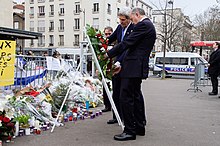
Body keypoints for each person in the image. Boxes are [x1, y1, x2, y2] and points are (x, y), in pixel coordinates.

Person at [105, 7, 156, 141]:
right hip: (135, 66)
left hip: (133, 67)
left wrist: (108, 54)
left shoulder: (143, 25)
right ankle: (139, 127)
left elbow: (127, 43)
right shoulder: (147, 25)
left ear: (136, 14)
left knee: (125, 98)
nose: (132, 22)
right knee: (135, 97)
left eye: (132, 18)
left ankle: (129, 131)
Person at [106, 7, 134, 124]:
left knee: (125, 94)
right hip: (116, 63)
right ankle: (116, 115)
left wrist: (120, 62)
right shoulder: (119, 28)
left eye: (123, 20)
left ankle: (125, 117)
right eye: (120, 20)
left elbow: (126, 47)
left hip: (126, 63)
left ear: (128, 19)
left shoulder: (133, 29)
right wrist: (99, 40)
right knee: (116, 91)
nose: (121, 22)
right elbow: (109, 40)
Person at [101, 26, 113, 112]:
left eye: (109, 33)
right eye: (106, 34)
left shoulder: (115, 42)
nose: (107, 35)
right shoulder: (103, 44)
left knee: (114, 89)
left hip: (113, 68)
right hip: (106, 68)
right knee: (105, 88)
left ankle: (114, 106)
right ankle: (107, 106)